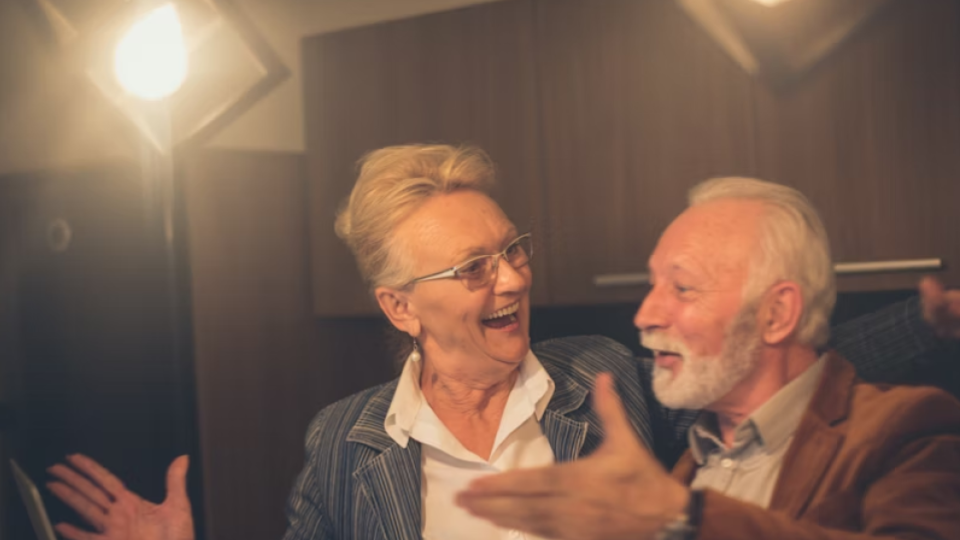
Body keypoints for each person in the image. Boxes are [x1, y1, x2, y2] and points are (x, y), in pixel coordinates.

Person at [45, 148, 959, 540]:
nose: (514, 280)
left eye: (514, 249)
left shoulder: (602, 379)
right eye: (475, 268)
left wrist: (928, 320)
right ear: (401, 308)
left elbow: (761, 374)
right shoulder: (346, 442)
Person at [457, 177, 960, 540]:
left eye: (682, 287)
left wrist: (683, 517)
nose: (646, 315)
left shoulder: (912, 428)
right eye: (652, 285)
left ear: (777, 312)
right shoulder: (689, 458)